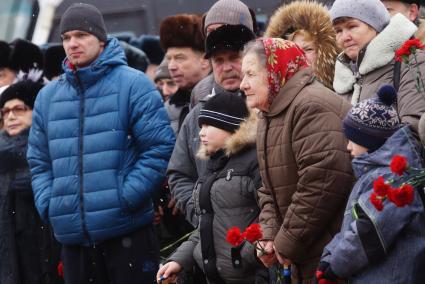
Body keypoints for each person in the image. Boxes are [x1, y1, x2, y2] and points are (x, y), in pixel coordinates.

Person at [27, 3, 175, 284]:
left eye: (81, 35)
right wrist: (50, 204)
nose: (73, 43)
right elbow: (38, 161)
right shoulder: (47, 98)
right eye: (67, 37)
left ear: (101, 40)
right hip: (73, 239)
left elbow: (159, 147)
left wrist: (126, 197)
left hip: (127, 234)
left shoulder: (134, 85)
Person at [240, 38, 354, 283]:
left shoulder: (310, 105)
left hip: (331, 251)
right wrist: (269, 235)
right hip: (308, 251)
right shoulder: (270, 114)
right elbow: (268, 186)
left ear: (274, 71)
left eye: (250, 74)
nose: (243, 85)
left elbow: (322, 181)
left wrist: (286, 243)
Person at [318, 85, 425, 283]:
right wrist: (330, 255)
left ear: (370, 140)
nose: (347, 146)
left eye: (352, 140)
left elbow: (369, 232)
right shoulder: (375, 173)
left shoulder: (390, 180)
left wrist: (336, 265)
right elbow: (352, 223)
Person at [157, 93, 267, 284]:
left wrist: (247, 254)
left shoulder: (254, 163)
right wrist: (179, 260)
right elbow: (207, 227)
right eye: (201, 127)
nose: (201, 133)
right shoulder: (213, 167)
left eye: (208, 125)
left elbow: (270, 215)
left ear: (230, 126)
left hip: (253, 276)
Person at [167, 0, 256, 228]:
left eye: (234, 57)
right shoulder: (198, 110)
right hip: (213, 243)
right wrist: (202, 214)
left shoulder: (266, 104)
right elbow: (180, 172)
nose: (226, 68)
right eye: (218, 60)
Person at [0, 80, 62, 284]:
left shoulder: (52, 147)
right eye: (5, 111)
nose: (10, 116)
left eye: (19, 108)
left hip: (45, 248)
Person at [331, 0, 425, 131]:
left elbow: (413, 128)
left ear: (376, 27)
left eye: (352, 26)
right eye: (338, 31)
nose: (344, 37)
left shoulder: (411, 62)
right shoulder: (342, 77)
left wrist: (365, 148)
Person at [265, 0, 339, 89]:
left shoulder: (340, 87)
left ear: (324, 53)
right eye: (293, 49)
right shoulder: (275, 94)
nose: (300, 55)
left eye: (308, 49)